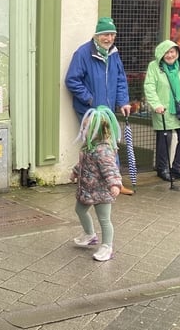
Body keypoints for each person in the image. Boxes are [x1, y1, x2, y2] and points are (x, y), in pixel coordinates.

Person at [65, 17, 133, 195]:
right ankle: (110, 182)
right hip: (91, 111)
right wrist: (90, 100)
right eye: (105, 34)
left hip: (107, 110)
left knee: (105, 144)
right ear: (96, 35)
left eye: (112, 34)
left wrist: (123, 101)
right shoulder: (83, 53)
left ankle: (104, 180)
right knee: (101, 144)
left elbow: (120, 79)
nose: (109, 38)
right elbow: (72, 80)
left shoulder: (113, 53)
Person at [70, 105, 122, 262]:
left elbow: (110, 169)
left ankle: (107, 246)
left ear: (96, 130)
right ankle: (90, 234)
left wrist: (115, 184)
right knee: (79, 210)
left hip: (102, 192)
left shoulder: (103, 150)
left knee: (104, 220)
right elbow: (84, 164)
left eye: (86, 127)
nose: (83, 130)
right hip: (87, 189)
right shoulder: (88, 147)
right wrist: (75, 171)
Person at [143, 40, 180, 182]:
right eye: (166, 52)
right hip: (164, 110)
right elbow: (149, 87)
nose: (170, 55)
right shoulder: (154, 67)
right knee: (165, 140)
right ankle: (163, 169)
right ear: (161, 54)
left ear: (177, 52)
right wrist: (156, 104)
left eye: (172, 51)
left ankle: (177, 169)